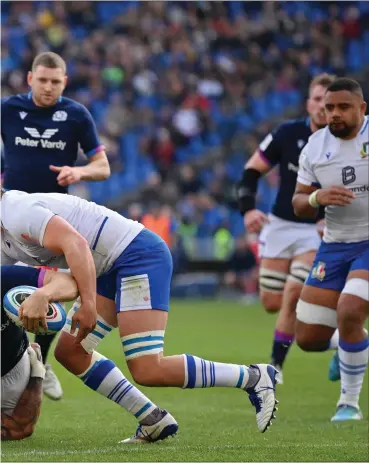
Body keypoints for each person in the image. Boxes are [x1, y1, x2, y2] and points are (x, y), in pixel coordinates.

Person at [1, 186, 280, 443]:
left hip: (136, 255)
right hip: (107, 268)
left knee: (147, 367)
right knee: (70, 352)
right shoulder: (5, 236)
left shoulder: (16, 211)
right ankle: (153, 420)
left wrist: (84, 303)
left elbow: (77, 245)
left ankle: (253, 377)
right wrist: (44, 295)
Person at [1, 51, 111, 400]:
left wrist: (79, 171)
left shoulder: (76, 115)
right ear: (30, 78)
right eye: (42, 80)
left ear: (64, 82)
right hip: (10, 214)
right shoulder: (8, 109)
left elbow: (102, 166)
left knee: (49, 288)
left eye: (55, 81)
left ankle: (42, 363)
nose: (48, 87)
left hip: (51, 221)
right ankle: (18, 358)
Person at [236, 74, 336, 382]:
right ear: (308, 102)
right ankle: (346, 340)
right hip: (279, 226)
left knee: (293, 295)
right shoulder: (287, 133)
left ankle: (275, 368)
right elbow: (252, 170)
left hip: (315, 231)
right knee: (272, 302)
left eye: (329, 102)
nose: (323, 106)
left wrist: (331, 218)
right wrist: (249, 209)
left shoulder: (344, 142)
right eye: (317, 99)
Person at [292, 78, 368, 421]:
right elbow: (298, 203)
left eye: (343, 107)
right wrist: (315, 198)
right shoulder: (314, 147)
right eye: (329, 108)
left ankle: (348, 404)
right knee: (308, 337)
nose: (334, 114)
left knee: (349, 309)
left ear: (362, 109)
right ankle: (352, 342)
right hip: (335, 246)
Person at [1, 264, 79, 440]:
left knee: (19, 429)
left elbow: (66, 282)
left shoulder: (3, 276)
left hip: (11, 368)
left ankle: (37, 367)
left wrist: (43, 294)